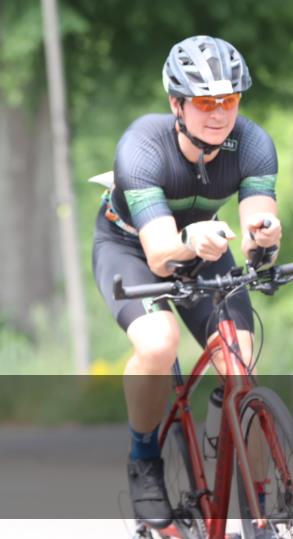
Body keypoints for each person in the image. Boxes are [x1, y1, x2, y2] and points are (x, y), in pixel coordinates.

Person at [91, 36, 281, 532]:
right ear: (177, 104)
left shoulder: (253, 143)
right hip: (131, 247)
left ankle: (258, 500)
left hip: (205, 246)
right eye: (204, 102)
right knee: (159, 342)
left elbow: (258, 222)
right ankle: (144, 460)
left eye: (230, 100)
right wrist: (190, 239)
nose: (219, 114)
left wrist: (266, 238)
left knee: (238, 358)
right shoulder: (142, 146)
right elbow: (159, 254)